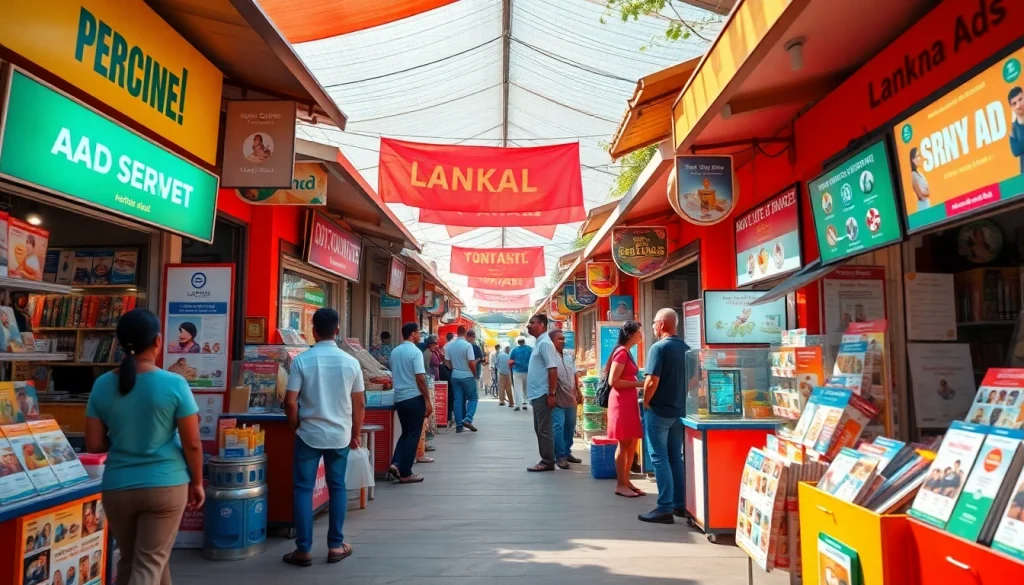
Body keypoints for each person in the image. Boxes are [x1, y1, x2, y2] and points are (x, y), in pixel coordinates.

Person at [85, 309, 204, 584]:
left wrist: (125, 434)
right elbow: (193, 443)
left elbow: (94, 444)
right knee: (149, 563)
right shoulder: (174, 383)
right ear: (158, 341)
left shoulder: (102, 385)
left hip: (117, 486)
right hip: (165, 484)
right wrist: (197, 483)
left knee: (132, 560)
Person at [282, 308, 364, 566]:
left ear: (313, 330)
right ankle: (336, 546)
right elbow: (359, 403)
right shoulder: (351, 363)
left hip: (308, 434)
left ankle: (303, 549)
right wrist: (355, 433)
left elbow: (290, 401)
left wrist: (295, 425)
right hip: (339, 434)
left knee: (303, 489)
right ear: (337, 330)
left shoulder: (302, 361)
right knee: (337, 487)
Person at [638, 308, 690, 523]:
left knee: (660, 459)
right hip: (679, 411)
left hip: (659, 412)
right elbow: (694, 381)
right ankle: (680, 505)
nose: (652, 327)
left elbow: (651, 381)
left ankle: (664, 508)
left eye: (653, 323)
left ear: (661, 324)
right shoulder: (686, 349)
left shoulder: (658, 348)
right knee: (675, 458)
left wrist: (647, 402)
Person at [387, 322, 433, 483]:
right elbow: (420, 378)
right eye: (418, 333)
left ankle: (396, 463)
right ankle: (406, 472)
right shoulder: (415, 352)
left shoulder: (395, 351)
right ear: (413, 334)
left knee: (406, 433)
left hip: (399, 398)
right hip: (414, 397)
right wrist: (427, 401)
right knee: (412, 435)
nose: (420, 336)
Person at [606, 320, 645, 498]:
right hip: (621, 401)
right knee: (624, 442)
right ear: (630, 334)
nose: (641, 335)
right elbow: (613, 381)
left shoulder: (627, 352)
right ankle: (620, 484)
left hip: (628, 400)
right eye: (638, 332)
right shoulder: (621, 353)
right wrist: (638, 383)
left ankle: (626, 479)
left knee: (631, 442)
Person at [526, 316, 560, 472]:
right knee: (539, 428)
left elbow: (552, 369)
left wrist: (551, 393)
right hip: (537, 393)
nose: (529, 326)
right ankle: (546, 459)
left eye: (532, 323)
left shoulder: (545, 344)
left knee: (544, 429)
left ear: (542, 325)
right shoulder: (539, 343)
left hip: (543, 393)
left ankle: (547, 460)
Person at [552, 335, 582, 469]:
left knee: (570, 424)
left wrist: (578, 391)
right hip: (557, 395)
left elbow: (574, 374)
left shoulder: (568, 356)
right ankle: (560, 456)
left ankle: (567, 451)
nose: (563, 341)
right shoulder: (550, 356)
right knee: (558, 425)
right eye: (560, 339)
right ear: (552, 341)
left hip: (570, 395)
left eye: (564, 339)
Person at [444, 326, 478, 433]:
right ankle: (468, 419)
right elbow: (472, 362)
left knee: (458, 400)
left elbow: (447, 364)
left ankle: (459, 425)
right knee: (473, 398)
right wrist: (474, 373)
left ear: (457, 333)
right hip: (467, 375)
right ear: (465, 333)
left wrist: (455, 367)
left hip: (455, 375)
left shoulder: (449, 346)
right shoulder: (468, 345)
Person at [509, 337, 532, 411]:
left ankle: (518, 404)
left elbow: (511, 360)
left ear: (518, 342)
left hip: (517, 371)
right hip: (527, 371)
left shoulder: (514, 350)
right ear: (524, 341)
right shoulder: (530, 349)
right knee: (526, 388)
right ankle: (525, 403)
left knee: (518, 388)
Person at [1010, 86, 1024, 173]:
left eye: (1020, 99)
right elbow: (1016, 151)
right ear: (1012, 108)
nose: (1018, 105)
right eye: (1014, 103)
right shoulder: (1014, 128)